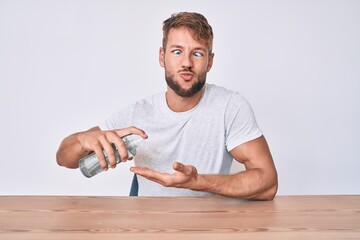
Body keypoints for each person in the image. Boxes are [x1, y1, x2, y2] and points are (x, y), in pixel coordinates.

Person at [56, 12, 278, 200]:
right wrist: (81, 140)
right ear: (162, 57)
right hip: (147, 226)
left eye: (197, 53)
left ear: (210, 61)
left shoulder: (229, 107)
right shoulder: (138, 113)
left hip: (207, 227)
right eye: (177, 51)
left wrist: (199, 182)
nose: (187, 63)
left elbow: (268, 183)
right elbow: (64, 159)